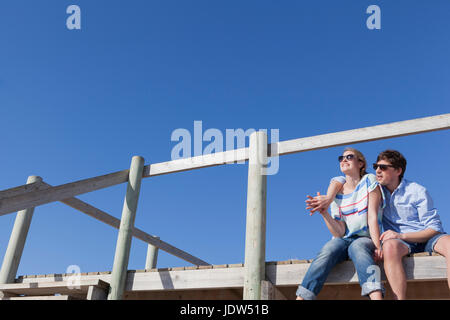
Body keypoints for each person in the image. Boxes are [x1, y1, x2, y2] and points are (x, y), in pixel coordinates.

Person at [309, 149, 450, 299]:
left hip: (424, 237)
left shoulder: (417, 190)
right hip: (399, 242)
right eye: (376, 166)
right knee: (389, 246)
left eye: (383, 167)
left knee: (448, 243)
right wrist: (329, 197)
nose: (377, 170)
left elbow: (434, 228)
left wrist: (401, 234)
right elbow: (343, 179)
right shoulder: (374, 188)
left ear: (398, 170)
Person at [296, 148, 385, 300]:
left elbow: (372, 216)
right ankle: (302, 298)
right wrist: (324, 212)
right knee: (328, 248)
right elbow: (339, 231)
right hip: (344, 239)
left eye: (349, 157)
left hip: (365, 237)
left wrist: (377, 246)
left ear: (361, 163)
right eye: (341, 158)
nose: (344, 160)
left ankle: (376, 297)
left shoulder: (369, 179)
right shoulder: (336, 193)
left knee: (358, 246)